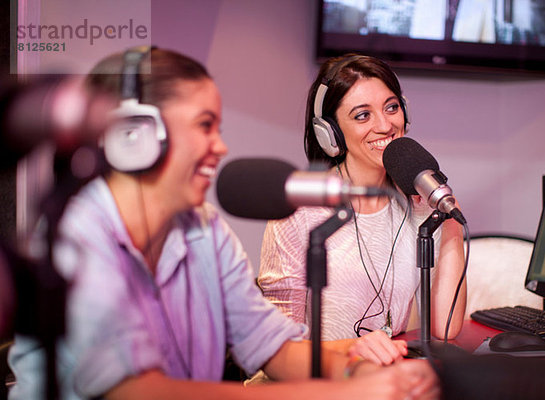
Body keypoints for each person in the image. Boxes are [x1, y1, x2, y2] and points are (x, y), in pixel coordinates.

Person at [7, 47, 439, 400]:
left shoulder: (206, 231)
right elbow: (137, 392)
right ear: (133, 137)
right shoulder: (79, 235)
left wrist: (357, 372)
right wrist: (344, 394)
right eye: (204, 126)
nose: (220, 146)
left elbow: (275, 348)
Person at [258, 54, 466, 345]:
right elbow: (279, 348)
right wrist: (354, 352)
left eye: (391, 107)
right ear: (330, 133)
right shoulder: (299, 210)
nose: (385, 125)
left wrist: (451, 222)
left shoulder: (420, 205)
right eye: (362, 115)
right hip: (311, 385)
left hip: (379, 380)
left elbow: (445, 327)